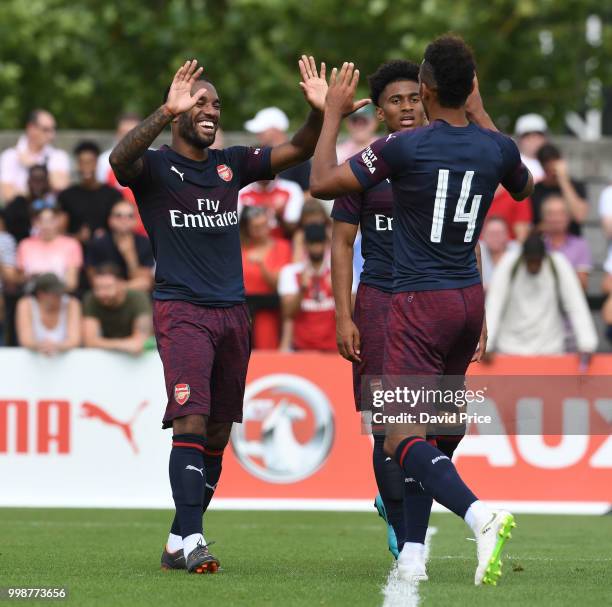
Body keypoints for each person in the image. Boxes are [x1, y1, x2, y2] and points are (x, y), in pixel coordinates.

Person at [310, 36, 533, 586]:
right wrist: (479, 109)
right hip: (467, 300)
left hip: (417, 302)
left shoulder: (404, 150)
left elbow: (318, 182)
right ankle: (411, 549)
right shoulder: (496, 147)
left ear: (427, 91)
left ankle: (480, 515)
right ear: (472, 87)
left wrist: (332, 115)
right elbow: (524, 187)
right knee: (436, 430)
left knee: (398, 437)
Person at [108, 56, 334, 573]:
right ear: (181, 110)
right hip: (182, 309)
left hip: (233, 315)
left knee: (216, 433)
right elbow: (119, 162)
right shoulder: (156, 167)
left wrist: (320, 113)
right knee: (189, 418)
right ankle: (193, 539)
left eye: (216, 104)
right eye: (200, 102)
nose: (210, 110)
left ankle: (176, 540)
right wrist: (165, 110)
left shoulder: (231, 163)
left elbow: (298, 148)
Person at [331, 59, 429, 563]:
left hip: (436, 303)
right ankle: (399, 520)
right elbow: (342, 242)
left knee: (432, 425)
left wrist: (480, 311)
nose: (407, 106)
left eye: (414, 96)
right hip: (379, 305)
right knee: (388, 419)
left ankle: (402, 506)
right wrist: (344, 316)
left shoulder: (445, 160)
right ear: (381, 110)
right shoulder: (366, 167)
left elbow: (468, 240)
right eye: (396, 100)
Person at [486, 233, 597, 355]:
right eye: (530, 261)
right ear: (523, 257)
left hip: (550, 349)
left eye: (537, 261)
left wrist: (587, 344)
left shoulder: (558, 263)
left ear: (544, 257)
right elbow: (494, 304)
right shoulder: (508, 263)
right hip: (510, 348)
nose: (534, 266)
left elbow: (575, 303)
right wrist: (487, 345)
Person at [278, 223, 336, 352]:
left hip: (333, 350)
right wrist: (302, 289)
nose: (316, 248)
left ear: (326, 244)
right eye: (312, 243)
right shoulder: (291, 272)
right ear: (305, 245)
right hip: (301, 350)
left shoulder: (339, 273)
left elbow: (353, 310)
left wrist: (337, 289)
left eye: (319, 243)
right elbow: (287, 313)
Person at [240, 206, 291, 349]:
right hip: (241, 310)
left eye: (264, 225)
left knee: (265, 349)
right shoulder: (239, 248)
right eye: (256, 227)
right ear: (247, 229)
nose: (262, 230)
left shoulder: (282, 247)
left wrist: (262, 265)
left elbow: (279, 284)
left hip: (267, 310)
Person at [58, 141, 123, 243]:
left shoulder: (113, 195)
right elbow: (59, 231)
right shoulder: (66, 196)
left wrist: (106, 236)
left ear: (97, 163)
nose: (86, 166)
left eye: (90, 162)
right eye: (82, 162)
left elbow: (122, 226)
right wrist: (76, 237)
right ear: (77, 164)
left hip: (107, 250)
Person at [0, 109, 70, 202]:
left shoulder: (58, 156)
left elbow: (61, 188)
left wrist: (33, 167)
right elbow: (7, 194)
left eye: (53, 129)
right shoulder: (9, 156)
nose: (52, 135)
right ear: (31, 128)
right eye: (46, 130)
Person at [82, 264, 152, 355]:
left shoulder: (139, 298)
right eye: (97, 288)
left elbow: (140, 341)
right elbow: (90, 341)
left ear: (122, 284)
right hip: (107, 356)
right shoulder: (91, 299)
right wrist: (123, 345)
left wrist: (104, 344)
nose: (101, 293)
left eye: (107, 287)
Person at [86, 199, 154, 291]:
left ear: (136, 221)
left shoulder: (145, 243)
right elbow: (92, 279)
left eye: (130, 216)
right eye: (118, 216)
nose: (124, 220)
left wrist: (130, 256)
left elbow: (145, 283)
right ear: (110, 220)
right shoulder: (98, 243)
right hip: (104, 292)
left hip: (133, 294)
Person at [15, 207, 82, 293]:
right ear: (35, 223)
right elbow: (19, 278)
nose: (46, 225)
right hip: (32, 294)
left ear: (58, 221)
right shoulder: (25, 245)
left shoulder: (71, 244)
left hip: (60, 293)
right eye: (41, 221)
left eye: (51, 220)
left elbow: (72, 283)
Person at [245, 107, 311, 191]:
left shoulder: (298, 156)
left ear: (275, 130)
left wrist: (291, 201)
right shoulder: (258, 155)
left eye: (262, 130)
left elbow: (309, 192)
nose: (258, 134)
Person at [16, 273, 81, 355]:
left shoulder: (71, 303)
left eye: (61, 293)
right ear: (41, 294)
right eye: (55, 294)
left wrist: (56, 346)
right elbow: (26, 340)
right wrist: (42, 346)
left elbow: (74, 340)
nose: (60, 296)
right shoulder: (25, 304)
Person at [531, 143, 589, 235]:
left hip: (572, 242)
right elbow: (532, 227)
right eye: (547, 168)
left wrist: (563, 180)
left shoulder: (577, 185)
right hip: (544, 242)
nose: (552, 171)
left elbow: (579, 216)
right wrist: (554, 224)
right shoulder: (535, 191)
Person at [540, 194, 592, 290]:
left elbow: (583, 284)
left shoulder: (579, 245)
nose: (556, 218)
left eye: (561, 214)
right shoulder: (537, 244)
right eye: (551, 214)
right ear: (544, 217)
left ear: (568, 217)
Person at [238, 175, 304, 239]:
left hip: (282, 241)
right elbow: (236, 226)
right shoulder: (240, 191)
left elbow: (292, 226)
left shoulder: (291, 188)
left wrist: (279, 214)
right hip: (249, 243)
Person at [4, 165, 56, 242]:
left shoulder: (54, 203)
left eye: (41, 179)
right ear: (28, 181)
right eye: (34, 179)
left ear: (47, 182)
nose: (38, 183)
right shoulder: (18, 203)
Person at [96, 113, 142, 184]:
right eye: (124, 133)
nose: (128, 137)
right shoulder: (103, 160)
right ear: (117, 134)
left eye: (133, 133)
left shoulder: (154, 157)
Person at [479, 216, 519, 290]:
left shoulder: (517, 252)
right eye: (491, 233)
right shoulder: (477, 252)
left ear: (507, 235)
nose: (495, 237)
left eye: (499, 233)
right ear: (483, 235)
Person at [291, 198, 331, 262]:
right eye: (310, 221)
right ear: (303, 221)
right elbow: (296, 261)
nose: (314, 224)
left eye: (317, 220)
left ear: (324, 218)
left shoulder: (329, 233)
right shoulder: (300, 236)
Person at [514, 113, 548, 182]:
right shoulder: (513, 163)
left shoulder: (552, 163)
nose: (533, 140)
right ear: (519, 139)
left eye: (538, 135)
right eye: (527, 136)